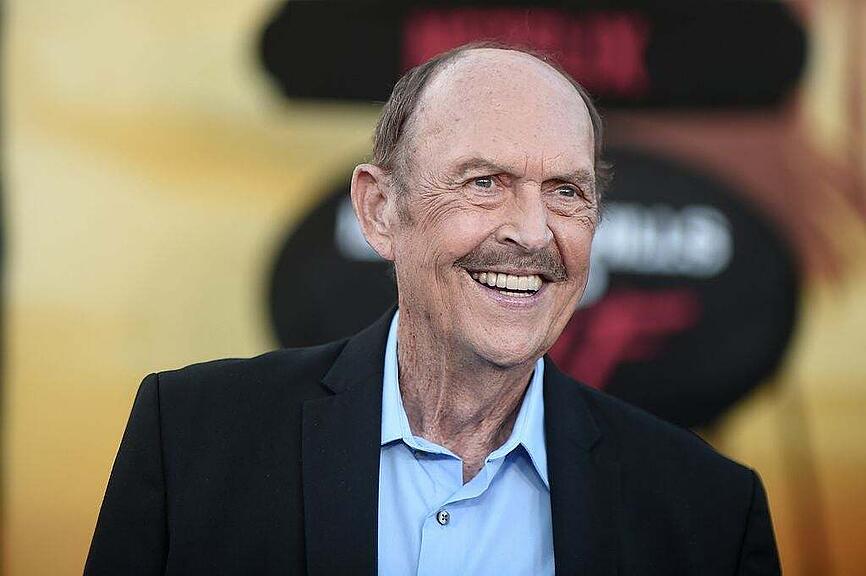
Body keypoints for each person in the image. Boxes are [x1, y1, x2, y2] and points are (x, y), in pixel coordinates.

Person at [85, 43, 781, 575]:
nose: (532, 233)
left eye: (566, 192)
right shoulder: (192, 442)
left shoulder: (709, 514)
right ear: (380, 210)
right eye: (484, 183)